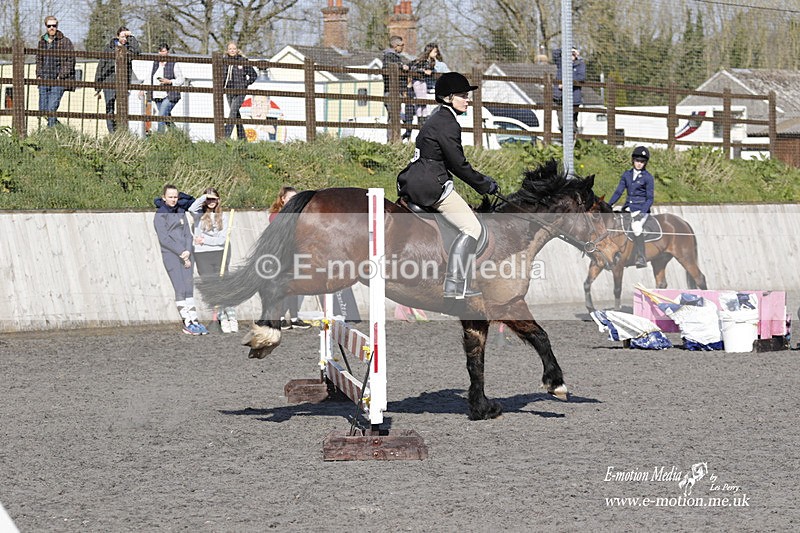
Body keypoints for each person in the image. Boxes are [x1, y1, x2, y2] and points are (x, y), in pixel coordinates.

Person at [396, 72, 498, 299]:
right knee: (473, 227)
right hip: (430, 184)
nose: (467, 99)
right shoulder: (448, 124)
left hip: (415, 179)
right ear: (449, 97)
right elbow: (459, 165)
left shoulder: (437, 118)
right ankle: (454, 284)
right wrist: (484, 185)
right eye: (463, 95)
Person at [154, 184, 209, 335]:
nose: (173, 199)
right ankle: (186, 321)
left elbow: (187, 234)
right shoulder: (160, 215)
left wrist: (187, 251)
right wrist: (180, 251)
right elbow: (164, 238)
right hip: (172, 256)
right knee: (179, 288)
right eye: (170, 197)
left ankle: (194, 319)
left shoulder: (180, 211)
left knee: (188, 287)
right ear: (164, 198)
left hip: (186, 254)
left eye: (175, 197)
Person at [189, 188, 238, 333]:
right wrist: (204, 196)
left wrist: (204, 240)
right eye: (208, 199)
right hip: (202, 255)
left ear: (218, 200)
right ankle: (221, 318)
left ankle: (231, 317)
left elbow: (222, 240)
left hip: (219, 254)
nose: (211, 202)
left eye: (214, 198)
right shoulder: (198, 215)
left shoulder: (223, 217)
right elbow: (191, 208)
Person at [268, 186, 312, 330]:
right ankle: (279, 318)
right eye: (290, 197)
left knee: (295, 286)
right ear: (283, 199)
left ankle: (294, 318)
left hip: (295, 253)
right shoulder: (276, 214)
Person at [608, 146, 655, 269]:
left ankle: (641, 257)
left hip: (641, 210)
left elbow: (650, 198)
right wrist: (608, 205)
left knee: (636, 227)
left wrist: (642, 212)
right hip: (628, 208)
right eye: (637, 161)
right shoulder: (627, 175)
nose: (639, 164)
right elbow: (618, 192)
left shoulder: (648, 177)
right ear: (633, 160)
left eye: (642, 162)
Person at [94, 26, 141, 133]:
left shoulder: (129, 49)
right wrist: (97, 85)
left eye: (126, 37)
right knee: (110, 108)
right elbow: (101, 65)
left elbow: (138, 51)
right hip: (109, 82)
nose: (125, 39)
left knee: (122, 109)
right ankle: (112, 132)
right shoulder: (109, 48)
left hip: (123, 83)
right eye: (123, 36)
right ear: (117, 36)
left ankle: (122, 132)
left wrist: (131, 36)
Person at [35, 16, 75, 128]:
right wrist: (38, 74)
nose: (52, 28)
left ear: (57, 26)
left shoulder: (65, 41)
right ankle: (59, 127)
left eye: (54, 25)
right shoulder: (42, 42)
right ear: (46, 27)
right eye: (49, 26)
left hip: (58, 80)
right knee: (43, 110)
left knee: (52, 108)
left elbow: (70, 60)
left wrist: (61, 76)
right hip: (44, 79)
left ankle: (50, 132)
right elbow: (38, 59)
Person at [223, 42, 258, 140]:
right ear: (227, 50)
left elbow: (253, 75)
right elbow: (221, 76)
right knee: (236, 114)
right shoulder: (224, 61)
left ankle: (225, 136)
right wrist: (221, 87)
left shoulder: (243, 61)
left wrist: (245, 84)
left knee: (233, 112)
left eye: (234, 49)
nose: (232, 51)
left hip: (240, 91)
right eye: (230, 49)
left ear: (237, 50)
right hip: (229, 90)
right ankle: (242, 138)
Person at [382, 35, 413, 141]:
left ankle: (393, 139)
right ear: (395, 45)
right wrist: (401, 66)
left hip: (396, 91)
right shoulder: (389, 56)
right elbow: (388, 68)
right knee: (393, 117)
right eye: (401, 45)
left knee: (394, 117)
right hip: (392, 92)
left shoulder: (394, 57)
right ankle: (393, 140)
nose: (403, 47)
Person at [147, 43, 183, 133]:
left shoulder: (173, 63)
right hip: (157, 95)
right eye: (161, 51)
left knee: (161, 116)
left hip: (170, 95)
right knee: (166, 118)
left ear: (168, 52)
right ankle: (177, 135)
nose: (162, 53)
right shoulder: (155, 63)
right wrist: (142, 89)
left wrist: (170, 81)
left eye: (164, 51)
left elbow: (181, 79)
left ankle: (160, 138)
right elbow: (149, 77)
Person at [553, 47, 585, 133]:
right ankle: (564, 141)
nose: (571, 56)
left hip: (574, 98)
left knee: (572, 122)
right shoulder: (561, 63)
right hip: (560, 97)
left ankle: (573, 142)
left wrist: (566, 84)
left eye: (573, 54)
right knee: (562, 122)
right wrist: (564, 49)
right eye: (569, 54)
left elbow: (581, 77)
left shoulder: (580, 64)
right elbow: (555, 54)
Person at [409, 43, 440, 126]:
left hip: (424, 82)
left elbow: (433, 71)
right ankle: (420, 118)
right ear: (429, 52)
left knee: (424, 100)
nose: (436, 54)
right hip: (417, 81)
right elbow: (413, 68)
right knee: (420, 100)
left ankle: (424, 118)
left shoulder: (432, 62)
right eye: (434, 52)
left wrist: (432, 72)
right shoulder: (422, 60)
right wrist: (423, 71)